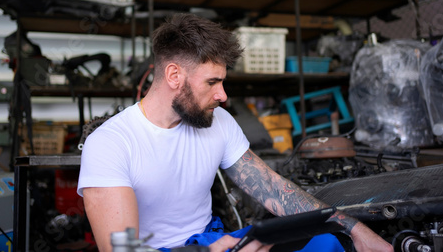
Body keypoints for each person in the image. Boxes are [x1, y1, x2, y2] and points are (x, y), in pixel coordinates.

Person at [77, 13, 393, 252]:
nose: (223, 95)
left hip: (213, 240)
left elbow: (273, 190)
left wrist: (351, 227)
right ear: (174, 75)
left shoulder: (218, 122)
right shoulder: (110, 143)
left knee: (326, 242)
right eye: (212, 82)